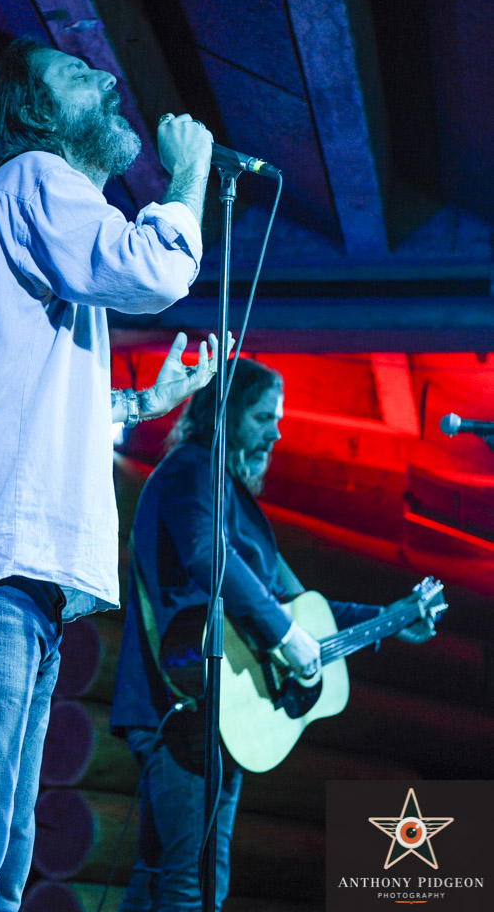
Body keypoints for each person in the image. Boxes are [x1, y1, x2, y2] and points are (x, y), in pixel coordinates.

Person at [0, 36, 219, 911]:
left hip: (7, 577)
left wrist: (146, 404)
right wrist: (188, 177)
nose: (110, 80)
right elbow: (154, 269)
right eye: (79, 77)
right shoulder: (34, 176)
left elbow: (24, 406)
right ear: (33, 117)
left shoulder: (33, 218)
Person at [111, 358, 435, 912]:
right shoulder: (193, 470)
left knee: (160, 879)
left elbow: (301, 609)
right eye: (263, 416)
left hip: (214, 715)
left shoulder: (230, 495)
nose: (276, 432)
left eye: (277, 419)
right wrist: (285, 638)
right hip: (187, 708)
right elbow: (208, 557)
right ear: (226, 413)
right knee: (193, 886)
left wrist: (391, 617)